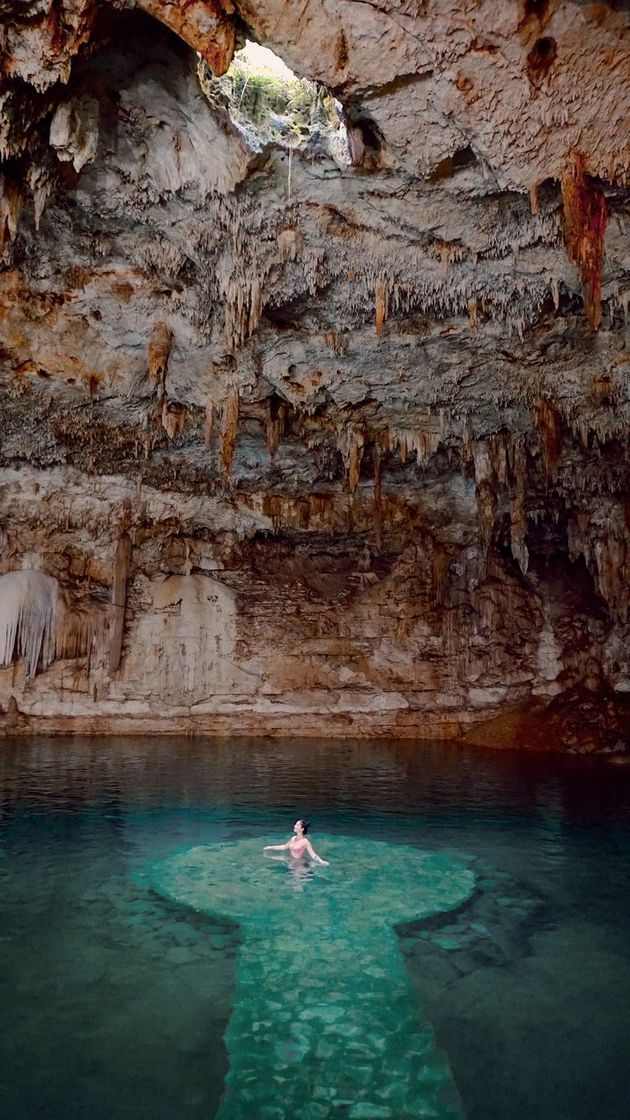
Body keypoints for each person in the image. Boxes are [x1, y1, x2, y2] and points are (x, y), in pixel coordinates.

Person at [263, 819, 329, 865]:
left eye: (297, 825)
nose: (294, 826)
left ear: (302, 829)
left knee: (297, 883)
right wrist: (270, 847)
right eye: (295, 824)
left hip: (299, 865)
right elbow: (284, 847)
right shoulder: (293, 838)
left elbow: (313, 855)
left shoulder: (305, 842)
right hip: (290, 861)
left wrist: (321, 861)